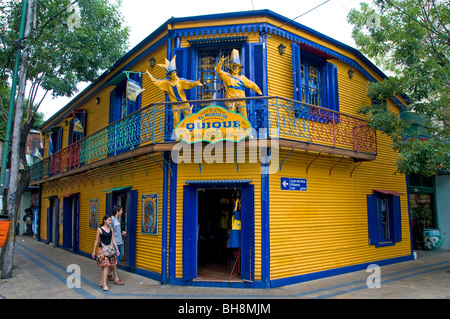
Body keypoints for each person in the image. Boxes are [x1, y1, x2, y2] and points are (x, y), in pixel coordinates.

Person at [145, 55, 202, 128]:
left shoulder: (180, 81)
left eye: (174, 72)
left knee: (188, 119)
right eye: (172, 73)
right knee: (176, 120)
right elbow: (156, 82)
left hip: (184, 103)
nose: (174, 74)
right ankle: (178, 136)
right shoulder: (166, 83)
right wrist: (149, 75)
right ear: (169, 75)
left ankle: (189, 133)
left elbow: (189, 83)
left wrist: (195, 83)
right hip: (175, 105)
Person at [215, 49, 262, 120]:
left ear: (239, 69)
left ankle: (246, 129)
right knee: (230, 118)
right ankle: (230, 130)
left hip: (241, 100)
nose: (236, 68)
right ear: (231, 67)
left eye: (237, 66)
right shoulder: (226, 76)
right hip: (231, 100)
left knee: (244, 117)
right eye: (234, 66)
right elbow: (218, 71)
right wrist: (221, 62)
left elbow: (251, 84)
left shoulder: (242, 78)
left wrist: (258, 90)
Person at [91, 215, 124, 291]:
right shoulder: (99, 230)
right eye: (109, 220)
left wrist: (117, 249)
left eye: (110, 220)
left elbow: (113, 240)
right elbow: (96, 240)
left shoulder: (111, 229)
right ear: (104, 221)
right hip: (102, 250)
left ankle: (102, 282)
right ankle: (104, 285)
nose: (110, 222)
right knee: (105, 266)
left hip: (110, 249)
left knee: (112, 264)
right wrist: (93, 251)